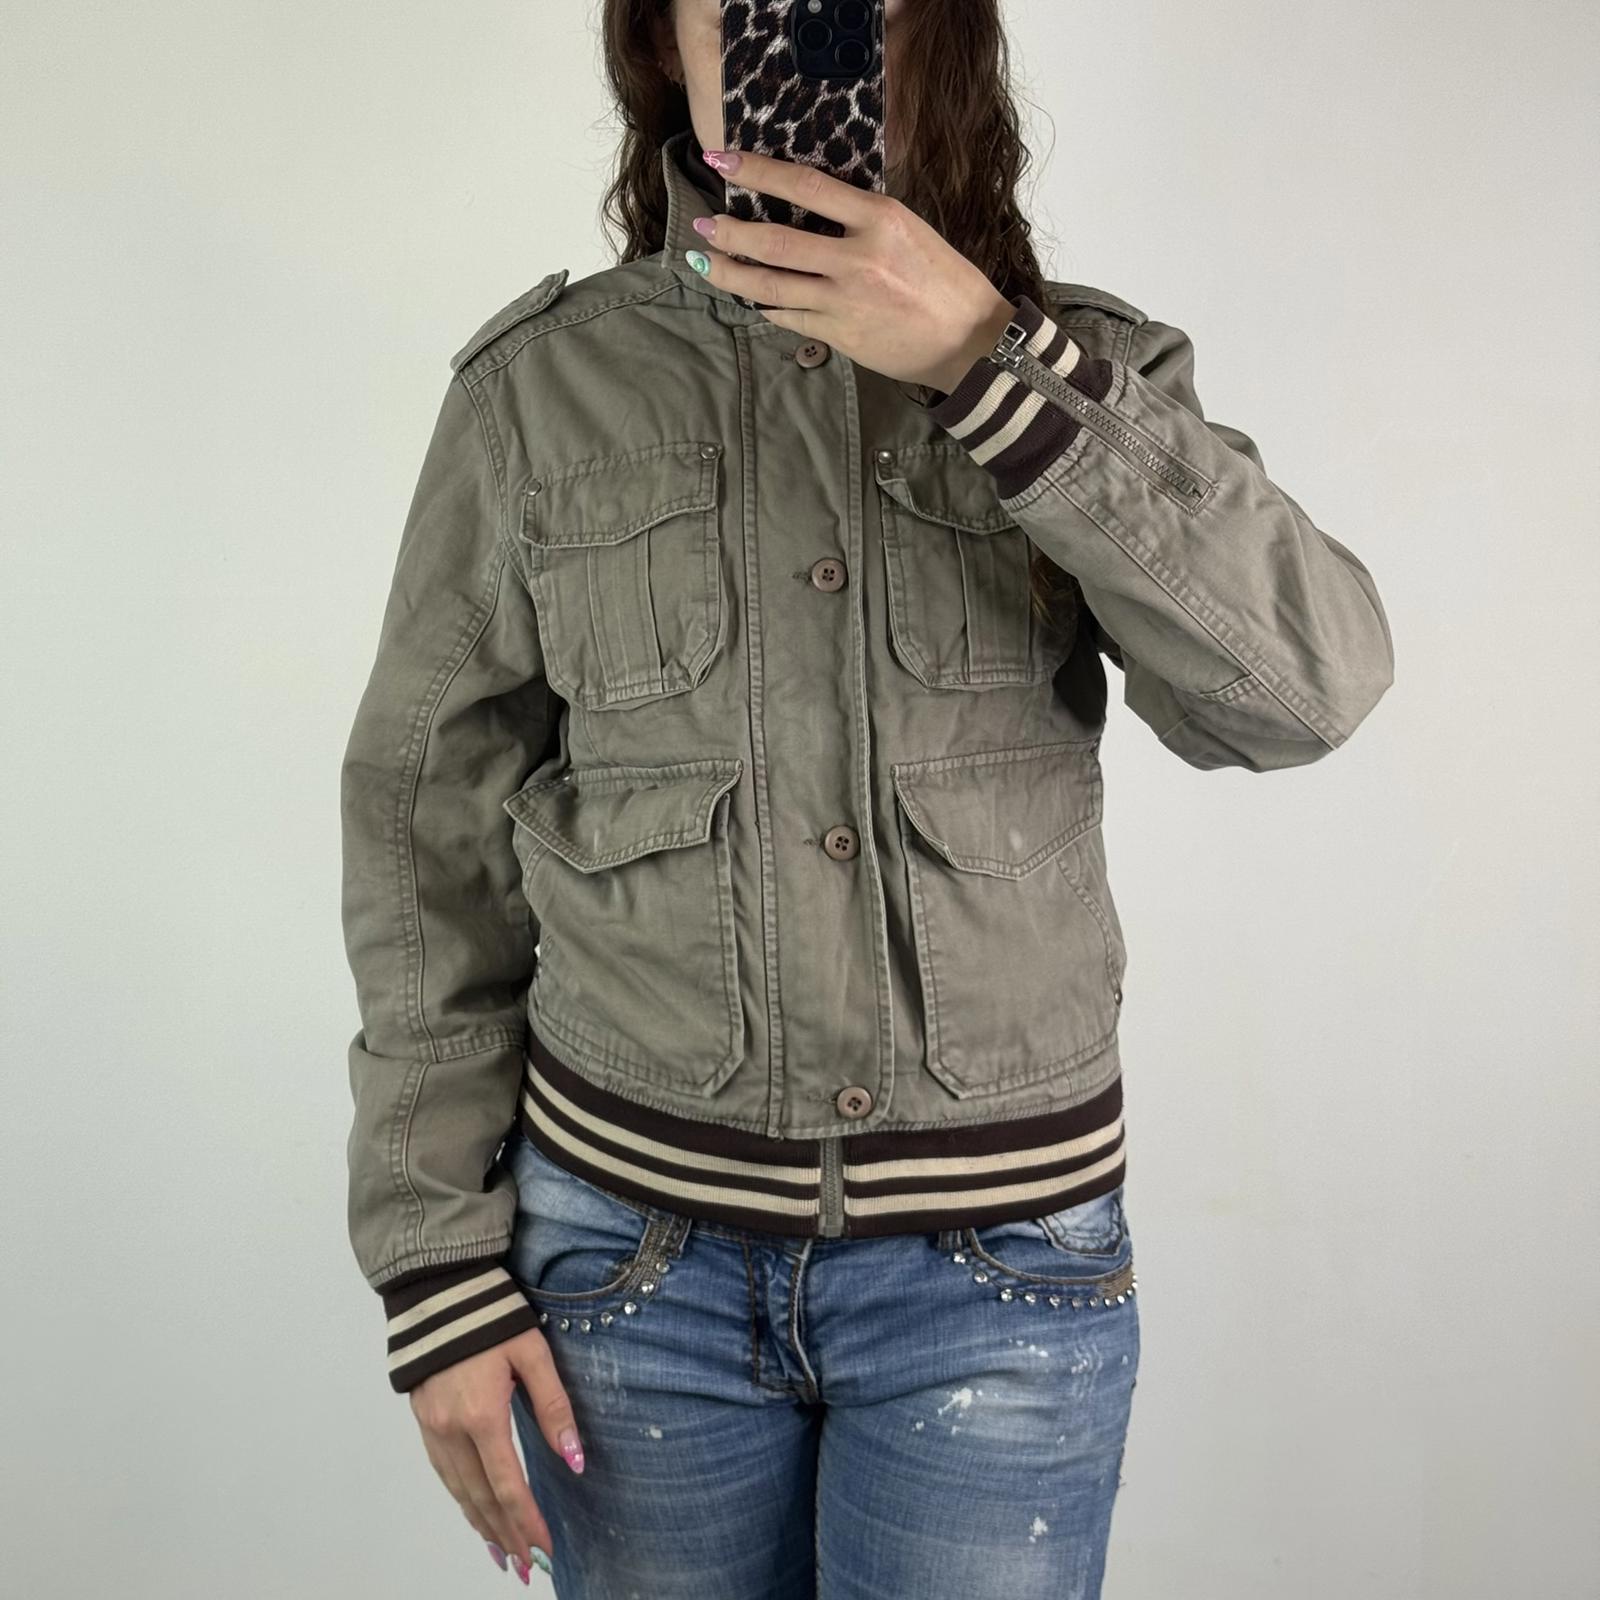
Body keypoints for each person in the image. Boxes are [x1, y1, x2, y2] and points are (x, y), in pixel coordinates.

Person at [338, 0, 1395, 1592]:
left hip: (1000, 1279)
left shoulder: (1086, 373)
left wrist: (988, 366)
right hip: (627, 1265)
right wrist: (436, 1268)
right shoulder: (539, 394)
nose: (804, 28)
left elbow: (1307, 687)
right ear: (665, 44)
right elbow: (424, 839)